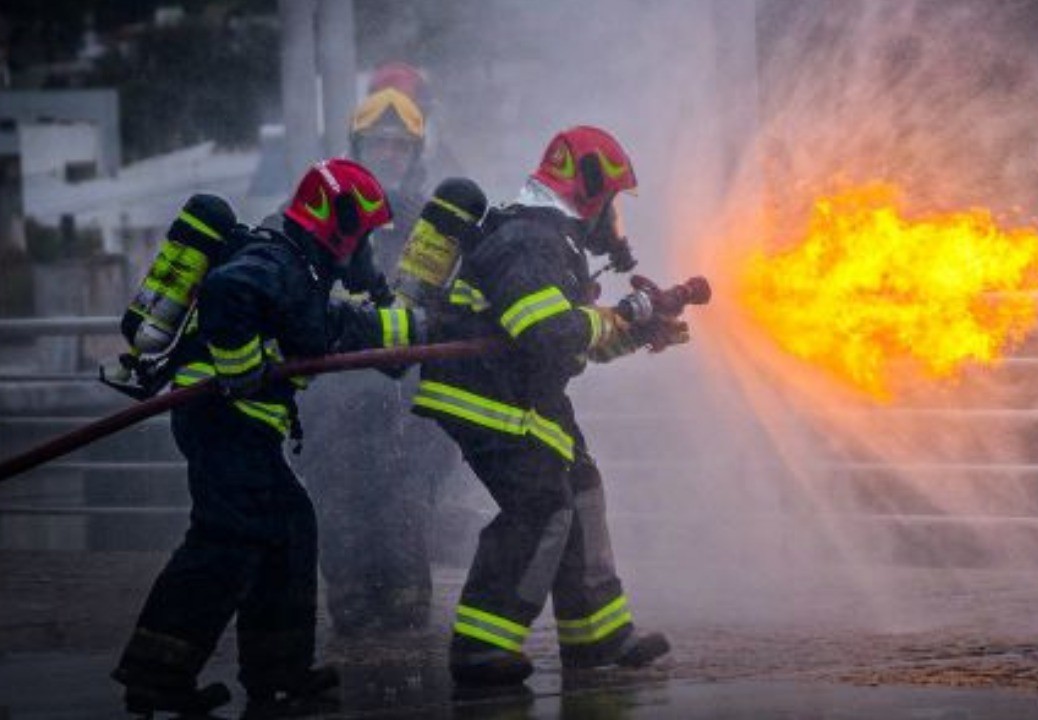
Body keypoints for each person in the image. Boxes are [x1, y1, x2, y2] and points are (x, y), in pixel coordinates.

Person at [111, 159, 422, 717]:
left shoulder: (298, 263)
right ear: (339, 226)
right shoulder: (279, 262)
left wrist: (419, 326)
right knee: (228, 539)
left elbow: (332, 327)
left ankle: (276, 678)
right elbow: (229, 294)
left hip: (234, 423)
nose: (366, 254)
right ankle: (161, 670)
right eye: (364, 238)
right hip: (221, 417)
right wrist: (240, 365)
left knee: (287, 530)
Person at [413, 125, 688, 685]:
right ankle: (481, 646)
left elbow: (571, 337)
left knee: (580, 489)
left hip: (525, 395)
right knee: (539, 505)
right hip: (486, 397)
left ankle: (596, 637)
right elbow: (545, 334)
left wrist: (639, 330)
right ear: (588, 190)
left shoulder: (551, 243)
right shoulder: (527, 240)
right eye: (611, 202)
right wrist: (627, 313)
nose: (614, 220)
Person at [296, 63, 467, 637]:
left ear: (416, 153)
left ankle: (406, 626)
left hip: (412, 409)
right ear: (357, 145)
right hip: (332, 405)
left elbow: (457, 301)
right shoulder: (320, 214)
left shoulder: (430, 223)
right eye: (378, 143)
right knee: (339, 512)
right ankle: (354, 625)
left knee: (405, 511)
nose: (388, 154)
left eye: (400, 145)